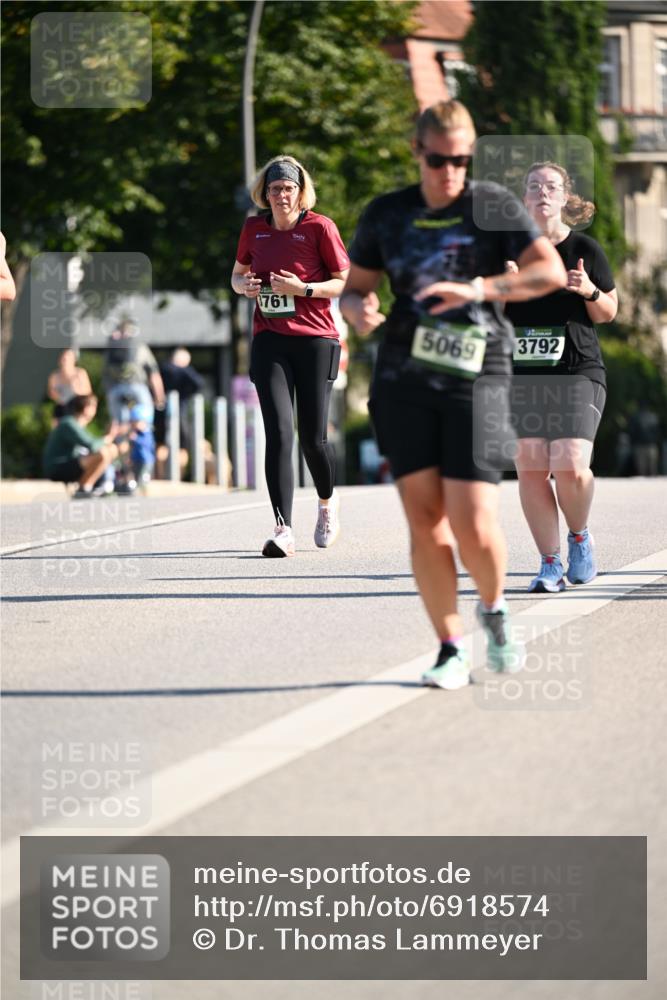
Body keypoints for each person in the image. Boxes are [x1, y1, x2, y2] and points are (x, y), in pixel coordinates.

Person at [340, 101, 566, 690]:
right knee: (426, 523)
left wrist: (479, 287)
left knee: (474, 522)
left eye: (462, 159)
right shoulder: (387, 214)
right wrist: (358, 310)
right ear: (417, 152)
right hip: (403, 380)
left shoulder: (491, 205)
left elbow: (548, 273)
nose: (451, 171)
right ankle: (449, 646)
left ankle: (492, 609)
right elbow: (355, 288)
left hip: (479, 375)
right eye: (440, 159)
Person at [505, 162, 618, 592]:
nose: (542, 192)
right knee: (532, 469)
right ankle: (550, 564)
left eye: (551, 186)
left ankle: (580, 536)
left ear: (564, 197)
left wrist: (588, 289)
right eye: (533, 186)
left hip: (577, 370)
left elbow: (608, 312)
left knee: (570, 464)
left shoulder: (584, 247)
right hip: (522, 375)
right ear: (524, 199)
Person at [231, 155, 350, 556]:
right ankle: (283, 527)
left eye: (288, 189)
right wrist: (243, 286)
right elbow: (236, 274)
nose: (281, 195)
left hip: (316, 341)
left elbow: (342, 282)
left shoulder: (320, 227)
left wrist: (304, 289)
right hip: (270, 339)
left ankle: (327, 503)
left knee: (313, 438)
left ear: (301, 194)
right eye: (274, 189)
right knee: (280, 432)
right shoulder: (254, 229)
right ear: (264, 194)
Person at [42, 394, 125, 498]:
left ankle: (94, 486)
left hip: (71, 464)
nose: (95, 410)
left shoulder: (77, 425)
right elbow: (92, 445)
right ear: (86, 408)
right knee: (103, 453)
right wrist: (108, 437)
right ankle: (84, 487)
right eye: (94, 406)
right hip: (58, 467)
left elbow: (92, 445)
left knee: (111, 450)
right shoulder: (68, 423)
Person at [103, 319, 166, 425]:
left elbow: (105, 373)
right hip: (136, 388)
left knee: (119, 425)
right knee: (144, 423)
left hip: (115, 390)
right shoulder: (140, 347)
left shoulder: (111, 347)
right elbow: (154, 374)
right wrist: (159, 397)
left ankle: (120, 439)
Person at [46, 348, 93, 423]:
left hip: (77, 408)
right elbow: (51, 394)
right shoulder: (54, 376)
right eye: (64, 358)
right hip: (61, 409)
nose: (65, 360)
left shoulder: (80, 374)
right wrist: (56, 395)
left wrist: (76, 390)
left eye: (68, 358)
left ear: (73, 360)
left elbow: (88, 393)